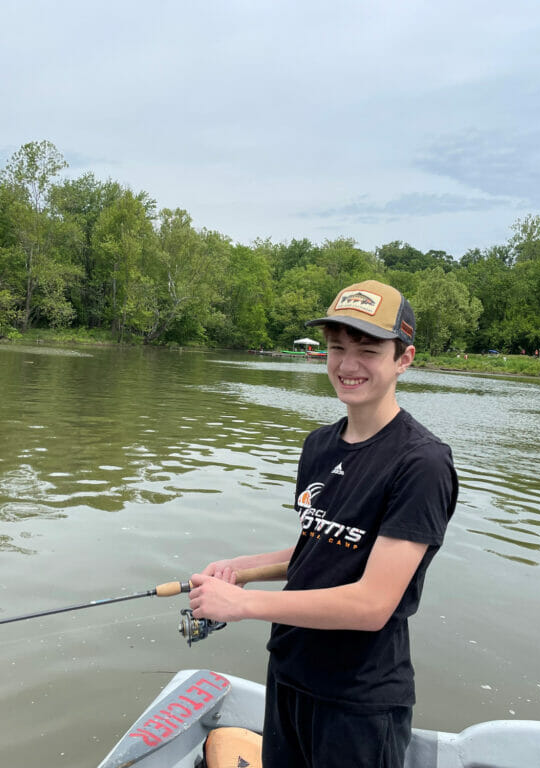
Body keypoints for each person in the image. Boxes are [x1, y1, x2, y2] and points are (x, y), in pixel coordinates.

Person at [189, 279, 458, 768]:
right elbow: (324, 548)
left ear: (404, 358)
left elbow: (373, 604)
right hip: (290, 671)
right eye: (337, 347)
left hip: (359, 700)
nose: (347, 365)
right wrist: (241, 568)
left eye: (368, 350)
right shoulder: (319, 445)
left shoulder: (421, 463)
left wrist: (243, 603)